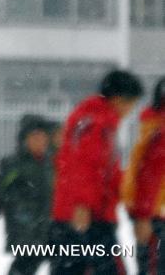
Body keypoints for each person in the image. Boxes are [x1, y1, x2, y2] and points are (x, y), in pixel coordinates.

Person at [50, 69, 144, 274]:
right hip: (87, 217)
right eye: (131, 105)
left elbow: (103, 170)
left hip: (82, 215)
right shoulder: (95, 124)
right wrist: (82, 204)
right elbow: (82, 165)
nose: (130, 111)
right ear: (119, 100)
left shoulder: (97, 121)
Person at [0, 115, 55, 275]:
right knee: (27, 261)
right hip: (23, 224)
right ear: (25, 139)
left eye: (43, 137)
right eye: (35, 137)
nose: (40, 142)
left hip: (46, 224)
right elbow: (0, 189)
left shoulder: (50, 163)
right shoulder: (15, 164)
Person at [122, 76, 165, 275]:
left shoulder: (154, 128)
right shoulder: (159, 133)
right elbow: (150, 178)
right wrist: (145, 216)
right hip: (156, 217)